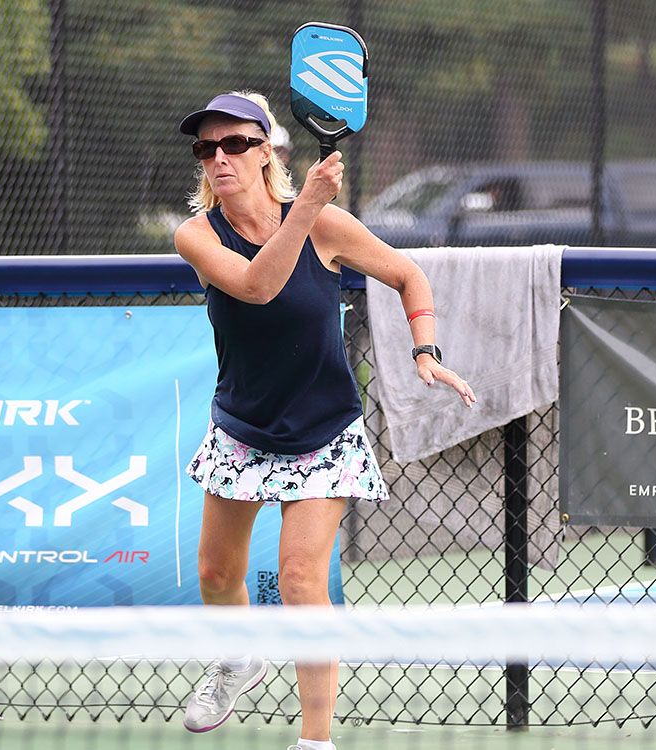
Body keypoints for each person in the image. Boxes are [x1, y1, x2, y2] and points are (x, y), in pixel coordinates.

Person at [174, 91, 475, 750]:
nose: (219, 157)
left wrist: (425, 349)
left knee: (301, 580)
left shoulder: (327, 226)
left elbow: (406, 274)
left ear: (266, 153)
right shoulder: (197, 235)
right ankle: (238, 656)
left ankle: (315, 743)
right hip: (242, 427)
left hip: (324, 434)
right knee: (216, 576)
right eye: (207, 148)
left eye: (234, 144)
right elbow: (257, 285)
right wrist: (306, 208)